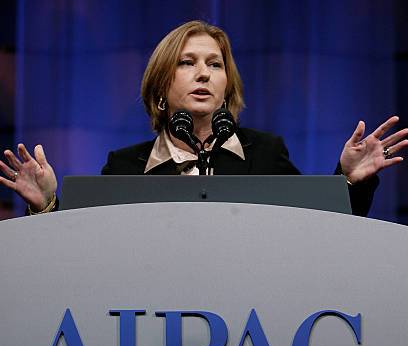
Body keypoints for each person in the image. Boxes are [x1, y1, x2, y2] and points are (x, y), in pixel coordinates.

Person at [0, 20, 406, 215]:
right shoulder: (125, 166)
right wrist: (47, 205)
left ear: (227, 85)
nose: (203, 74)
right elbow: (82, 251)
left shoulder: (264, 154)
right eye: (187, 63)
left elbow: (321, 228)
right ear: (160, 88)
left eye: (215, 64)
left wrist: (349, 179)